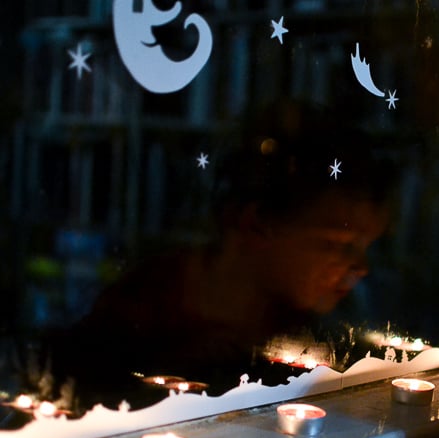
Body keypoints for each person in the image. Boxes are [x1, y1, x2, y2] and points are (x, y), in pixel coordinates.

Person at [3, 99, 397, 420]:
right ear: (254, 224)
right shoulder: (139, 312)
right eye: (336, 243)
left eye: (366, 245)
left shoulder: (311, 332)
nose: (361, 267)